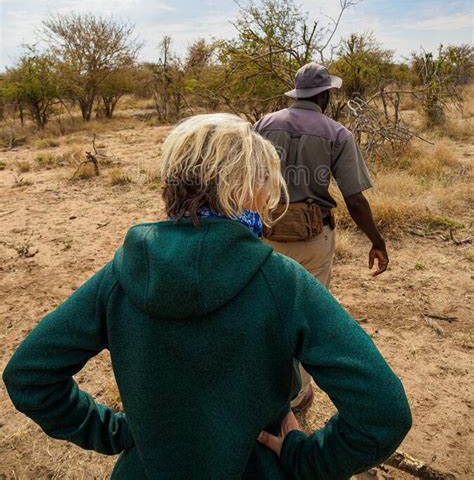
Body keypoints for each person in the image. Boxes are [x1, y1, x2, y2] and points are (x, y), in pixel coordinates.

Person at [3, 113, 410, 479]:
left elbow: (30, 375)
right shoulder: (281, 282)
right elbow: (383, 412)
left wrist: (119, 432)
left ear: (170, 183)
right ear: (250, 188)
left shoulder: (121, 275)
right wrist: (305, 459)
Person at [253, 62, 389, 411]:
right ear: (326, 95)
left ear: (297, 93)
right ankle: (296, 394)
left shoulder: (263, 126)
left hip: (267, 233)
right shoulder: (337, 133)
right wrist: (376, 240)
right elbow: (355, 199)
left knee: (267, 309)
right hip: (313, 237)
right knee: (305, 315)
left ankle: (262, 387)